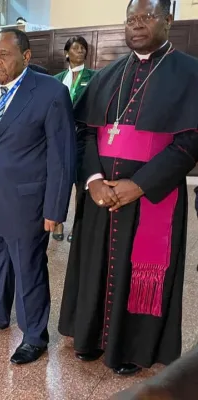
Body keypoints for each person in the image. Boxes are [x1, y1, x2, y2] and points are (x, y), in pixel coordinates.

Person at [59, 0, 198, 376]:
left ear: (168, 21)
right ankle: (90, 337)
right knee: (95, 263)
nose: (137, 25)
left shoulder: (190, 73)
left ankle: (134, 348)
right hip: (101, 194)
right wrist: (92, 182)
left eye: (147, 17)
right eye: (131, 18)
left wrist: (139, 184)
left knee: (140, 271)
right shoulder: (107, 74)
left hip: (153, 194)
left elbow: (190, 142)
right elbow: (86, 132)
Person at [0, 28, 76, 365]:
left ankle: (34, 335)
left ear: (26, 57)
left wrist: (56, 208)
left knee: (28, 269)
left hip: (26, 202)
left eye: (4, 55)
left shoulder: (50, 93)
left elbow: (62, 156)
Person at [52, 36, 96, 242]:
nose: (80, 51)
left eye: (83, 48)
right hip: (59, 138)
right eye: (76, 48)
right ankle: (58, 223)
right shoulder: (57, 79)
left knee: (80, 184)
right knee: (59, 182)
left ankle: (76, 227)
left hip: (81, 137)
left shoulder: (94, 77)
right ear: (66, 53)